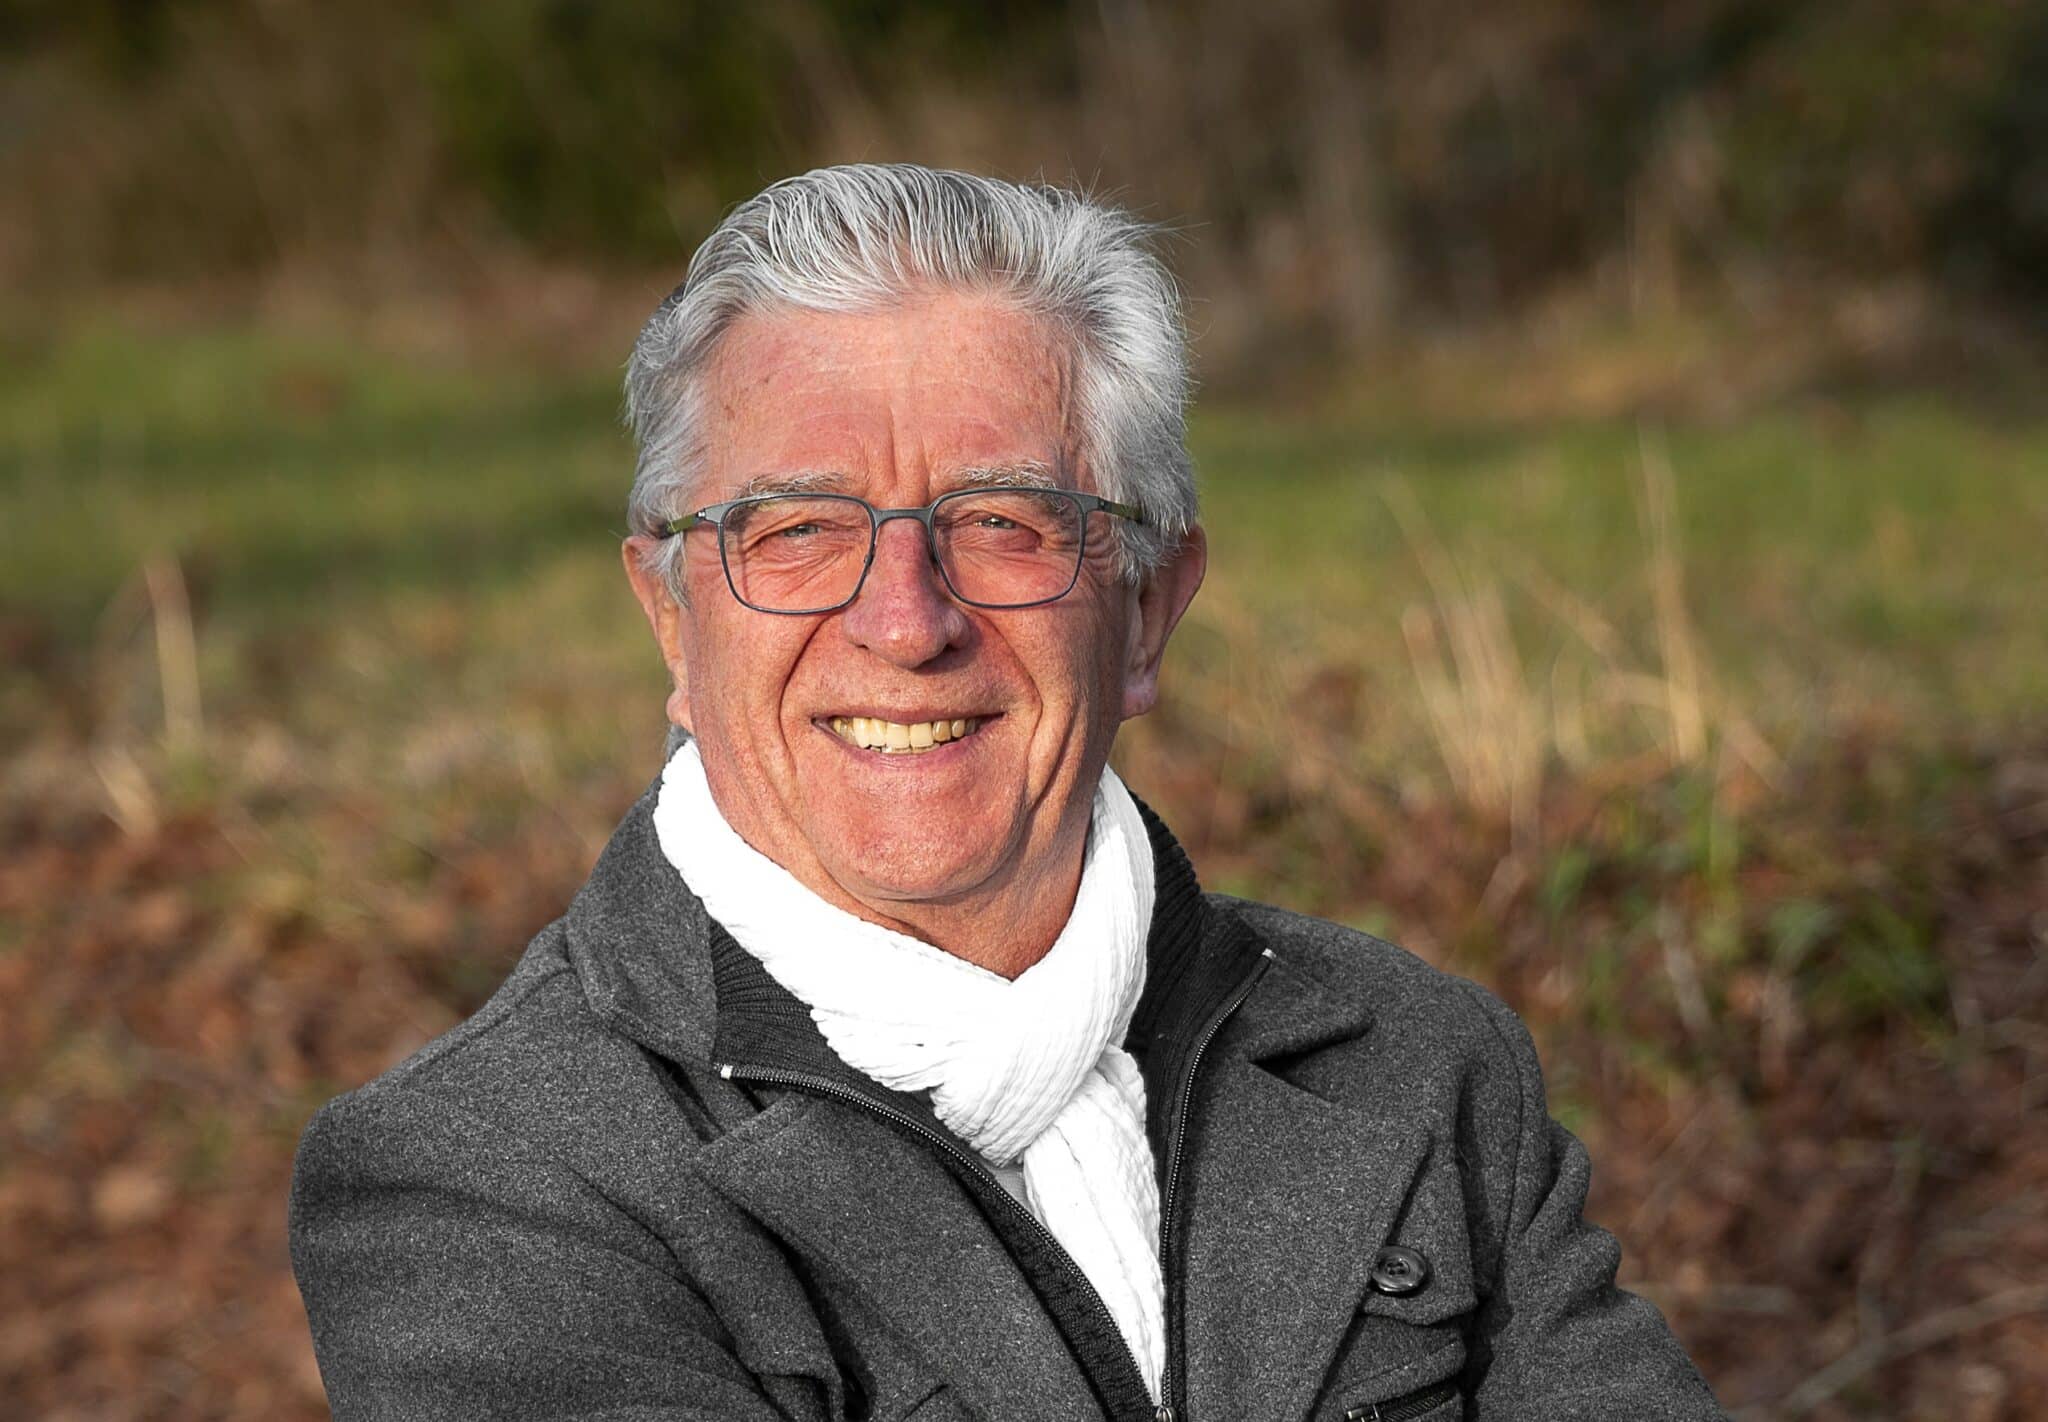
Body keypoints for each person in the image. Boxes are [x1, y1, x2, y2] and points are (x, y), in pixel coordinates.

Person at [289, 164, 1727, 1422]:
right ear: (674, 620)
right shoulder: (487, 1178)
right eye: (797, 529)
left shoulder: (1418, 1065)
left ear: (1148, 608)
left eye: (1001, 521)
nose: (904, 620)